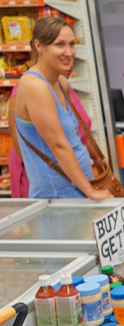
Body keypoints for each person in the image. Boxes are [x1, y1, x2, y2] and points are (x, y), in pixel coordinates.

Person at [14, 17, 112, 200]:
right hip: (57, 196)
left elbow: (75, 135)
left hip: (79, 187)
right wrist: (90, 192)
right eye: (59, 44)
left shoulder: (60, 82)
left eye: (72, 44)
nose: (69, 52)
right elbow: (58, 145)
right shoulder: (34, 85)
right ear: (39, 46)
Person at [9, 60, 94, 198]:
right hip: (50, 180)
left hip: (74, 180)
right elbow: (16, 132)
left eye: (71, 45)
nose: (69, 58)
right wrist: (36, 167)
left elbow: (79, 131)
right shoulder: (30, 87)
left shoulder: (62, 85)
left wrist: (96, 159)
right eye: (60, 45)